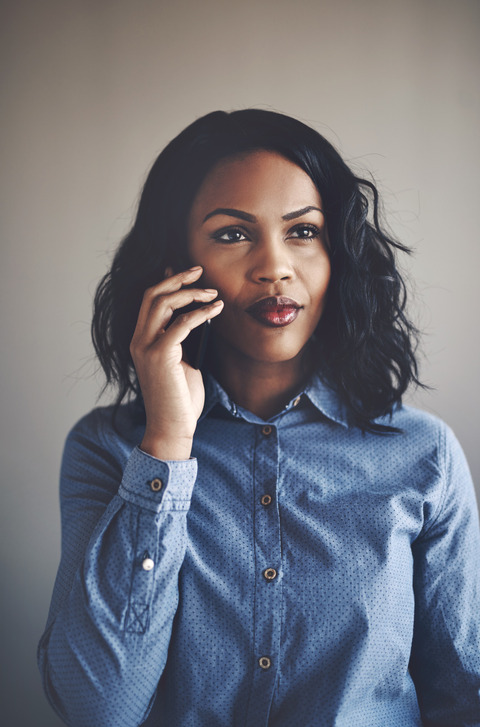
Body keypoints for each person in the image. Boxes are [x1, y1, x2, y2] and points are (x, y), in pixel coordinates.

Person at [38, 109, 480, 727]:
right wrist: (165, 445)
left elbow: (464, 695)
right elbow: (98, 708)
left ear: (338, 255)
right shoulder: (108, 450)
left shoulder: (423, 454)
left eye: (303, 232)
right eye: (232, 234)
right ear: (175, 264)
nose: (275, 267)